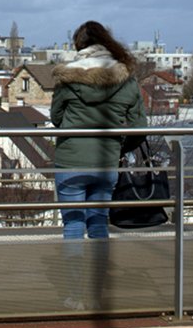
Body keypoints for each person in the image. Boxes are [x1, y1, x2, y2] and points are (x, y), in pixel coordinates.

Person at [51, 21, 147, 309]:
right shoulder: (126, 78)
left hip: (71, 162)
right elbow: (139, 127)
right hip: (106, 162)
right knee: (98, 225)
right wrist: (118, 146)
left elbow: (57, 118)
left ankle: (75, 295)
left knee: (73, 226)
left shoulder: (68, 78)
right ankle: (97, 293)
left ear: (78, 46)